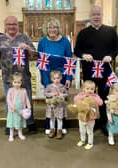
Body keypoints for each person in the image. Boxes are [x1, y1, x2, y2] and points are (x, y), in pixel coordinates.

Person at [74, 5, 118, 136]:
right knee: (89, 98)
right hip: (89, 72)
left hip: (104, 71)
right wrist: (83, 55)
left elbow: (116, 48)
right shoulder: (83, 33)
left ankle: (103, 123)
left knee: (104, 98)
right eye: (94, 14)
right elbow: (77, 50)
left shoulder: (110, 31)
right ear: (90, 16)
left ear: (102, 15)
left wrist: (111, 55)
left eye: (98, 14)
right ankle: (90, 120)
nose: (96, 17)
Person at [0, 16, 37, 134]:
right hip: (8, 76)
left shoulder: (24, 37)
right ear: (5, 25)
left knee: (26, 99)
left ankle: (30, 122)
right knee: (10, 101)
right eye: (9, 24)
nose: (11, 26)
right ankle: (11, 124)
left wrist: (27, 47)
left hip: (23, 76)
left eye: (14, 24)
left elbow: (34, 54)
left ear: (18, 25)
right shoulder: (0, 39)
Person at [37, 17, 72, 135]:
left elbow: (69, 60)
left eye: (55, 27)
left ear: (59, 28)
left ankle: (62, 126)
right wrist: (42, 76)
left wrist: (68, 78)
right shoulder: (42, 42)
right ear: (46, 29)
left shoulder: (65, 41)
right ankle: (49, 125)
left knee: (61, 100)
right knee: (50, 100)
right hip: (47, 74)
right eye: (50, 27)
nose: (52, 29)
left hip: (62, 74)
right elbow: (40, 61)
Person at [74, 80, 103, 150]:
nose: (90, 91)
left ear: (94, 90)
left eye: (92, 89)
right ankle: (82, 140)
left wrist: (94, 98)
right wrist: (83, 96)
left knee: (89, 131)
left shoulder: (95, 96)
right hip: (82, 117)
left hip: (91, 118)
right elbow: (75, 99)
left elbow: (101, 103)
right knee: (82, 130)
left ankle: (90, 143)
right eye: (87, 89)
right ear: (83, 89)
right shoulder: (81, 95)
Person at [6, 72, 31, 141]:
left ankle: (20, 133)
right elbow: (8, 99)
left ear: (21, 82)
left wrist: (28, 107)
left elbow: (26, 99)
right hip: (13, 110)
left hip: (21, 110)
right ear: (12, 82)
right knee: (12, 122)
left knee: (20, 122)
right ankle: (11, 134)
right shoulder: (10, 90)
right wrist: (11, 107)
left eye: (18, 82)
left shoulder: (24, 90)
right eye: (15, 82)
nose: (17, 84)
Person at [44, 70, 68, 139]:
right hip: (52, 105)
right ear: (51, 79)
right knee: (52, 118)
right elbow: (45, 93)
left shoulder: (62, 86)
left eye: (58, 78)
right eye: (54, 78)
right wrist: (52, 94)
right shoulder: (49, 86)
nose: (56, 80)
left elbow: (67, 94)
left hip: (60, 106)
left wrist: (62, 94)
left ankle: (59, 130)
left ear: (61, 78)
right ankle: (52, 129)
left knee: (59, 118)